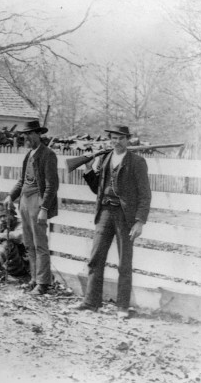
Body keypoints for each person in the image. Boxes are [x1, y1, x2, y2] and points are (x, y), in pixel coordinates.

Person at [70, 125, 151, 319]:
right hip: (105, 211)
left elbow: (145, 194)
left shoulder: (137, 162)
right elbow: (97, 188)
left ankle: (122, 306)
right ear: (110, 140)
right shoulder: (105, 158)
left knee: (124, 262)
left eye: (121, 138)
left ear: (128, 140)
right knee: (96, 257)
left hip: (126, 215)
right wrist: (89, 170)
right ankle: (91, 302)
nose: (117, 141)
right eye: (114, 138)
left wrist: (139, 221)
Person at [4, 119, 59, 295]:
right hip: (25, 202)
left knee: (40, 243)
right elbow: (22, 180)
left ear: (38, 134)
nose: (27, 137)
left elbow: (52, 185)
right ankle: (34, 279)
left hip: (38, 201)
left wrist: (44, 209)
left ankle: (43, 283)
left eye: (30, 134)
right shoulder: (29, 155)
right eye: (25, 134)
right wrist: (10, 196)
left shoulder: (47, 154)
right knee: (29, 244)